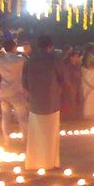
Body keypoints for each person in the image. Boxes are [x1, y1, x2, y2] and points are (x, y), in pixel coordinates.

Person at [22, 35, 63, 169]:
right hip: (52, 100)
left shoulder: (29, 60)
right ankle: (51, 163)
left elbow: (24, 82)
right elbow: (61, 76)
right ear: (49, 46)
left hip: (35, 101)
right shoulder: (54, 58)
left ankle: (34, 162)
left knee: (36, 134)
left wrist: (31, 93)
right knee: (51, 133)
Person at [0, 39, 28, 145]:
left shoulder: (0, 61)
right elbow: (26, 63)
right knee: (22, 116)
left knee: (5, 117)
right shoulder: (19, 60)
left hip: (4, 91)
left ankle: (7, 140)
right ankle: (25, 139)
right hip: (16, 91)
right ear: (14, 48)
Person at [60, 49, 83, 121]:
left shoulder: (78, 66)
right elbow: (66, 78)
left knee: (78, 101)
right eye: (75, 56)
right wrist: (71, 87)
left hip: (77, 85)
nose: (77, 58)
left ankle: (76, 116)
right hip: (71, 87)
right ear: (71, 57)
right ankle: (70, 117)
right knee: (71, 102)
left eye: (77, 56)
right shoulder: (68, 67)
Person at [81, 44, 94, 119]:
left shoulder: (81, 58)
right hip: (93, 82)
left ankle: (86, 114)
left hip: (85, 82)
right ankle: (93, 114)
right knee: (93, 97)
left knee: (87, 98)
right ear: (93, 49)